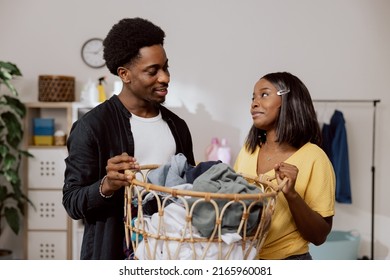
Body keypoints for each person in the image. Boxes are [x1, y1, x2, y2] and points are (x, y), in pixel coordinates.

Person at [62, 17, 195, 260]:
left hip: (170, 254)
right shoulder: (91, 126)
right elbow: (72, 202)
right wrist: (107, 185)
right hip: (112, 252)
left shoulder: (178, 126)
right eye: (152, 71)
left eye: (165, 67)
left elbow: (190, 189)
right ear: (125, 74)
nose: (165, 78)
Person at [233, 72, 335, 260]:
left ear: (288, 100)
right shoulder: (247, 151)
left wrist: (292, 195)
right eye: (253, 97)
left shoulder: (315, 158)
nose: (254, 103)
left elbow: (319, 236)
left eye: (264, 94)